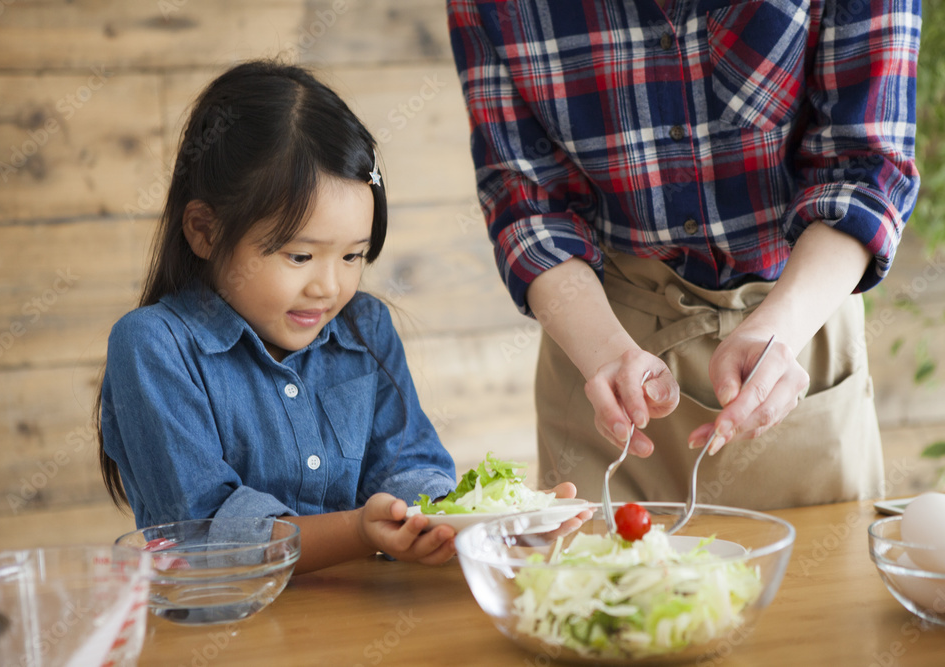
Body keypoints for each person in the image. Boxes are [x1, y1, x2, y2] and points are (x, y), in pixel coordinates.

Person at [448, 0, 921, 509]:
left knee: (822, 583)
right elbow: (527, 204)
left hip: (796, 327)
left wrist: (778, 330)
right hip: (600, 342)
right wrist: (605, 352)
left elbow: (864, 169)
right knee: (590, 583)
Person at [95, 61, 462, 573]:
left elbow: (407, 468)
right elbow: (203, 533)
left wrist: (481, 519)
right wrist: (358, 531)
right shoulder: (153, 347)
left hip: (360, 621)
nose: (330, 287)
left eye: (353, 256)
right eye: (299, 256)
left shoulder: (367, 326)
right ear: (204, 230)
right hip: (221, 632)